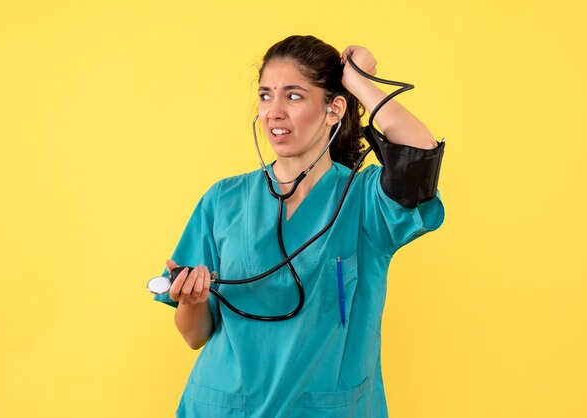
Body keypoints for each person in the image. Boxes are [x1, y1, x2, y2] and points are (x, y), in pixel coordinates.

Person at [153, 35, 445, 417]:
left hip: (327, 408)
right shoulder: (223, 200)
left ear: (334, 109)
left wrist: (357, 81)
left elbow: (420, 153)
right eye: (265, 95)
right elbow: (195, 336)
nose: (273, 111)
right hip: (225, 405)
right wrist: (191, 301)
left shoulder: (364, 198)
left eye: (293, 96)